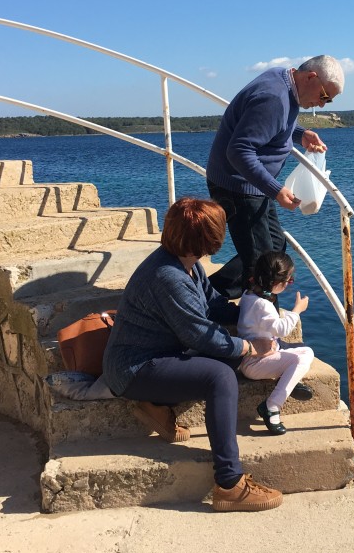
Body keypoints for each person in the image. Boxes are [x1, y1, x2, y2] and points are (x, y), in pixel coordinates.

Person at [101, 196, 283, 512]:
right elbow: (199, 335)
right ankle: (229, 484)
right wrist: (247, 345)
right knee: (220, 376)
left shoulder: (187, 264)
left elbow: (212, 304)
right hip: (135, 368)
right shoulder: (167, 277)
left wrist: (251, 313)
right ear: (208, 239)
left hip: (160, 354)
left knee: (240, 357)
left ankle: (156, 405)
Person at [206, 55, 344, 299]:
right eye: (324, 96)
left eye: (328, 100)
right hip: (238, 187)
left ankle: (205, 294)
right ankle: (258, 323)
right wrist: (276, 189)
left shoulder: (284, 80)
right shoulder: (274, 98)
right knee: (264, 266)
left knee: (275, 247)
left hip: (253, 185)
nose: (322, 105)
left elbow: (271, 124)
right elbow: (238, 150)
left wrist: (300, 133)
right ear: (311, 77)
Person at [238, 251, 315, 435]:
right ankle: (272, 406)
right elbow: (281, 329)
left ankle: (287, 380)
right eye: (289, 281)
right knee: (301, 359)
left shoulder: (249, 295)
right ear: (277, 283)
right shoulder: (263, 305)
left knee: (305, 351)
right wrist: (297, 310)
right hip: (255, 363)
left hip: (259, 355)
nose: (289, 284)